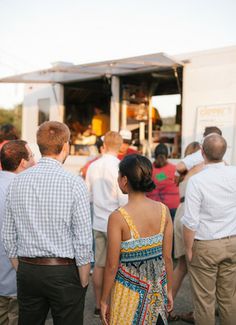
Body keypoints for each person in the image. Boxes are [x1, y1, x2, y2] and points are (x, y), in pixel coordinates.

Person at [2, 121, 93, 325]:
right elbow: (83, 239)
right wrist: (84, 279)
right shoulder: (74, 183)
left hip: (28, 269)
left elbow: (8, 235)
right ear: (65, 146)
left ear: (39, 146)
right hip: (64, 270)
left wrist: (22, 268)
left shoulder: (16, 182)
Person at [101, 154, 173, 325]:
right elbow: (168, 258)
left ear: (124, 180)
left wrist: (104, 300)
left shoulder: (118, 217)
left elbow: (111, 265)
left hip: (128, 299)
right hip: (157, 293)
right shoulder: (164, 211)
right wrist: (169, 290)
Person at [182, 134, 236, 325]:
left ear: (202, 153)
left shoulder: (197, 181)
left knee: (205, 301)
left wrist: (188, 249)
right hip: (232, 242)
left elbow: (190, 221)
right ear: (225, 152)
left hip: (205, 244)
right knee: (229, 298)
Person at [86, 131, 128, 317]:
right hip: (116, 223)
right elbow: (123, 199)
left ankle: (97, 304)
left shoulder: (93, 166)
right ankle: (110, 303)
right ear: (120, 146)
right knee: (116, 265)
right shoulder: (120, 166)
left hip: (98, 221)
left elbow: (89, 196)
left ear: (104, 145)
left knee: (100, 265)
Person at [0, 140, 35, 325]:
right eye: (32, 157)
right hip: (17, 280)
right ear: (23, 162)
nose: (34, 161)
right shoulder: (26, 189)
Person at [169, 141, 203, 323]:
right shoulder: (200, 169)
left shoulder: (182, 174)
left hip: (180, 212)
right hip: (191, 214)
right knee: (197, 268)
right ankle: (200, 311)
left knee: (181, 266)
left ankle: (167, 307)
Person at [147, 143, 180, 220]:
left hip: (155, 207)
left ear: (154, 155)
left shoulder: (148, 169)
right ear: (167, 156)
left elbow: (155, 180)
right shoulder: (174, 169)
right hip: (172, 207)